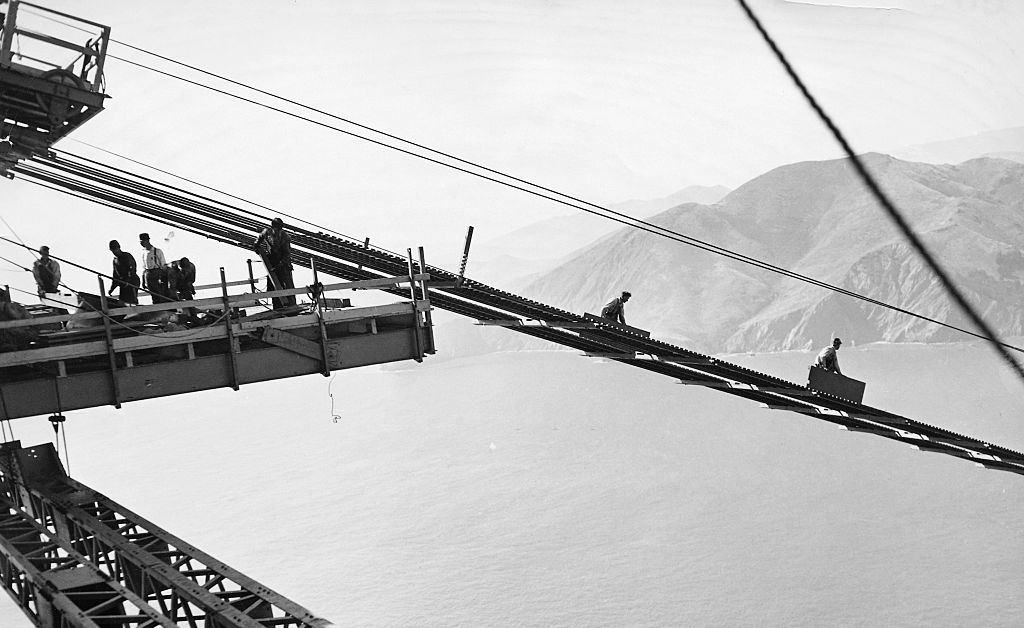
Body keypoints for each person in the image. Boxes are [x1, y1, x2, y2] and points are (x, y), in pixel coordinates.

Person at [254, 217, 295, 308]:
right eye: (276, 228)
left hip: (283, 264)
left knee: (288, 286)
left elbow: (287, 254)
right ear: (273, 227)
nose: (278, 231)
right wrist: (256, 246)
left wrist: (280, 264)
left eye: (279, 229)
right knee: (273, 286)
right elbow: (259, 239)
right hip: (272, 261)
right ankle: (277, 306)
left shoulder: (285, 237)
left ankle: (292, 306)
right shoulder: (267, 232)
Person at [139, 232, 170, 303]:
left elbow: (163, 265)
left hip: (157, 274)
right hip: (148, 275)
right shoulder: (144, 253)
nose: (141, 243)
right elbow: (144, 267)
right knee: (153, 294)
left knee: (160, 294)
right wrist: (143, 280)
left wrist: (163, 277)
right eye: (140, 242)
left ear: (147, 241)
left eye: (142, 241)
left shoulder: (157, 251)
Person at [108, 240, 140, 305]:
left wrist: (128, 280)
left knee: (132, 301)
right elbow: (115, 275)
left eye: (115, 249)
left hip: (132, 281)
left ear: (119, 248)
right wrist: (112, 288)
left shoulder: (126, 256)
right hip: (123, 283)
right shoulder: (115, 260)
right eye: (113, 250)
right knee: (122, 303)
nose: (114, 251)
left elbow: (132, 268)